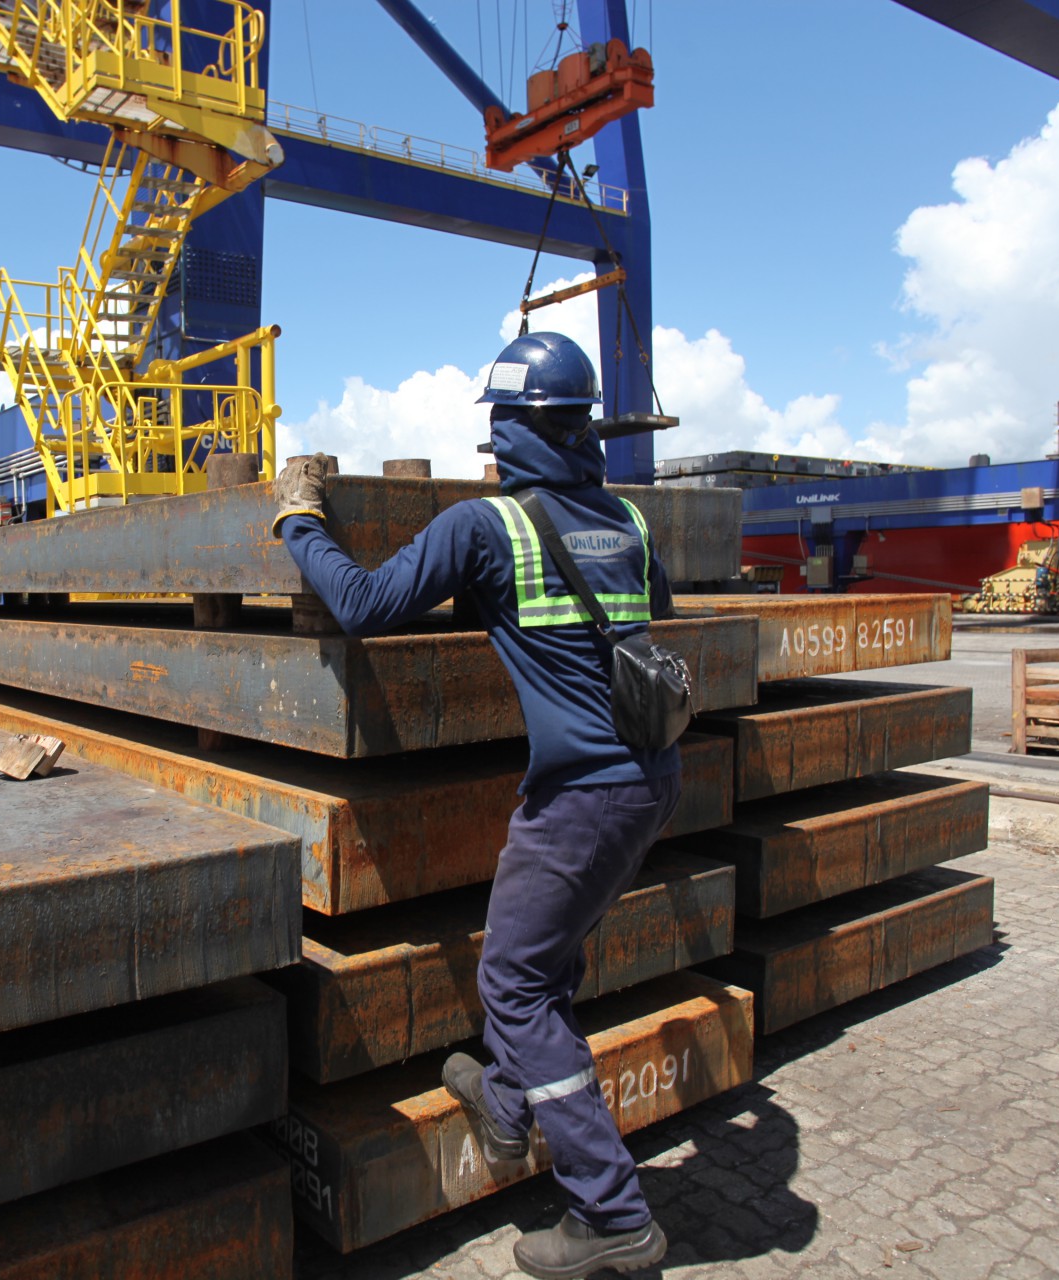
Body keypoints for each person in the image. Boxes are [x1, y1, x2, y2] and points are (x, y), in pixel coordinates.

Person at [271, 332, 679, 1280]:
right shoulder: (627, 518)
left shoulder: (485, 527)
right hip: (652, 781)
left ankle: (611, 1212)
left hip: (581, 797)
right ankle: (504, 1098)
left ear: (511, 430)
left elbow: (367, 605)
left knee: (516, 987)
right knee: (541, 953)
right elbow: (638, 606)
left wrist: (301, 523)